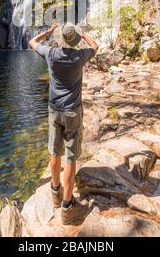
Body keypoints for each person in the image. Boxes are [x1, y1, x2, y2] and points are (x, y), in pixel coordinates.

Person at [29, 22, 99, 225]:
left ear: (59, 39)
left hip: (54, 110)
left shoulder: (50, 54)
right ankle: (68, 207)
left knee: (54, 152)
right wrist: (83, 34)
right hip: (72, 112)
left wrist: (49, 32)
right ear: (75, 40)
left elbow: (32, 41)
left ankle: (55, 193)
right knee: (70, 158)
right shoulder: (80, 56)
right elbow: (95, 46)